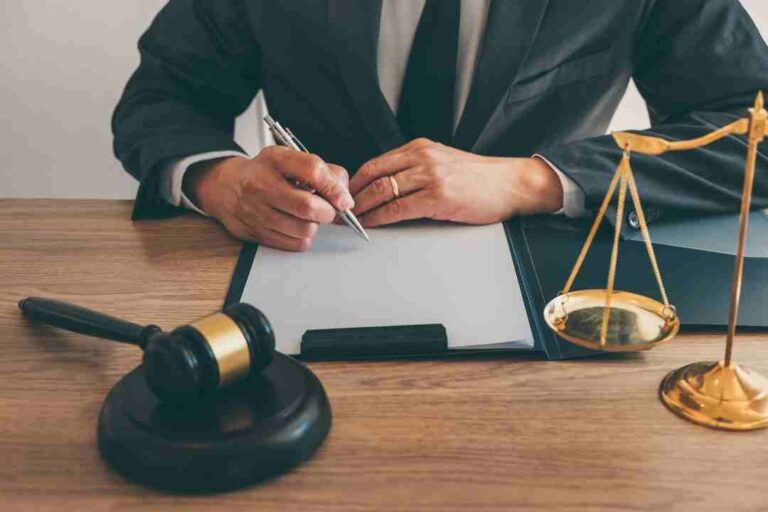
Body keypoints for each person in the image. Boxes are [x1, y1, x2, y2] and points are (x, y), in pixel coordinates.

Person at [113, 0, 768, 252]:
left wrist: (532, 181)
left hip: (555, 318)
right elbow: (160, 100)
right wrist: (217, 181)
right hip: (302, 285)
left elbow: (756, 135)